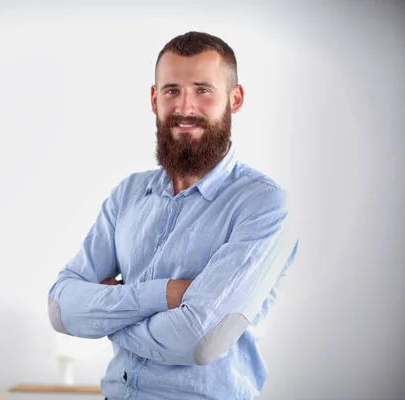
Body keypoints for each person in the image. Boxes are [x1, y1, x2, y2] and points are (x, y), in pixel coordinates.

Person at [47, 31, 299, 400]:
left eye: (203, 90)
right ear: (154, 99)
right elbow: (60, 309)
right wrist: (164, 295)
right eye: (171, 91)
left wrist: (105, 319)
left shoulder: (265, 205)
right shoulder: (128, 195)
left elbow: (200, 341)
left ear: (235, 99)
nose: (185, 108)